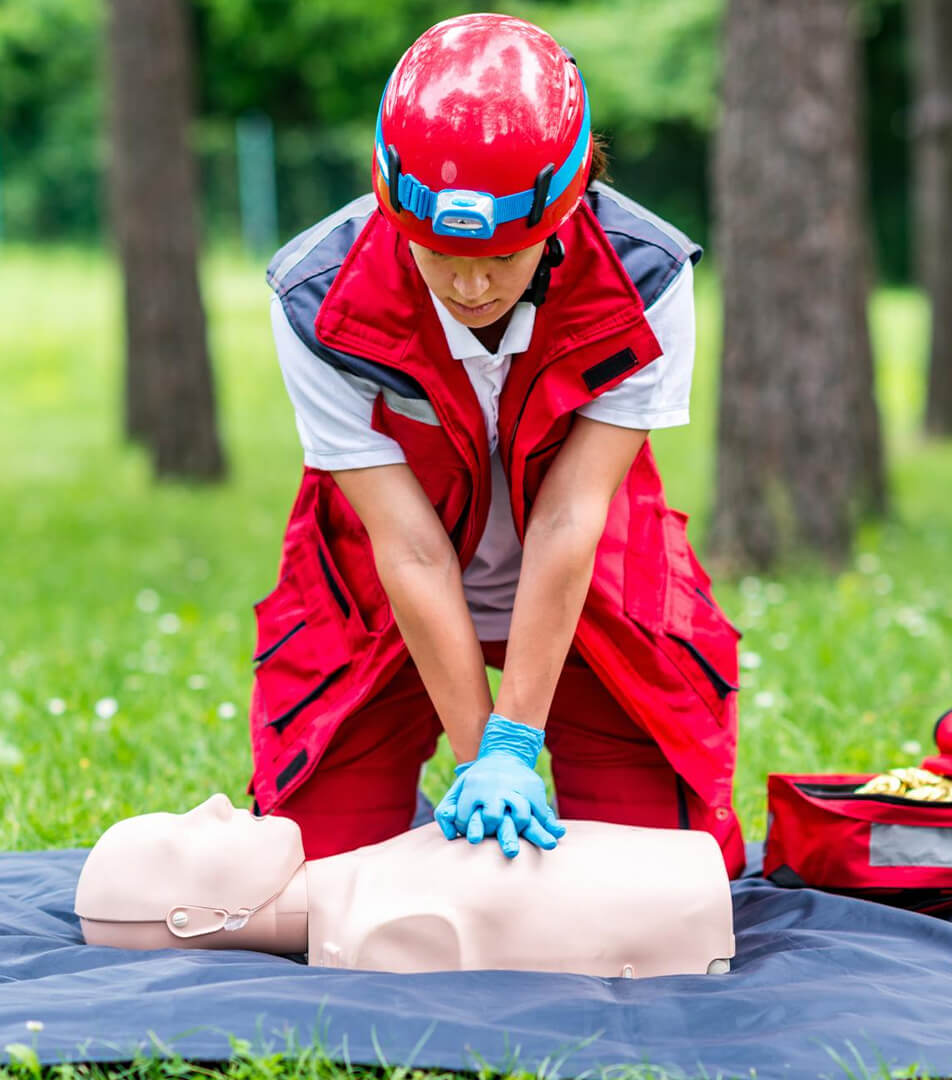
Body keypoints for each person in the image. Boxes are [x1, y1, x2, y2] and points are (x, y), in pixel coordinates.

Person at [250, 13, 745, 874]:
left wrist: (514, 741)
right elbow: (406, 547)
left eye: (505, 256)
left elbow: (569, 520)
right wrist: (482, 759)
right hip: (378, 603)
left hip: (595, 595)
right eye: (439, 254)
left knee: (666, 884)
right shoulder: (313, 298)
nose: (471, 284)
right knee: (313, 880)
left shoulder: (648, 276)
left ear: (563, 210)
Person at [75, 794, 735, 977]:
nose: (214, 801)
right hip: (691, 907)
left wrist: (502, 745)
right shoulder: (390, 928)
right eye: (182, 835)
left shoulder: (371, 883)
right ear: (190, 918)